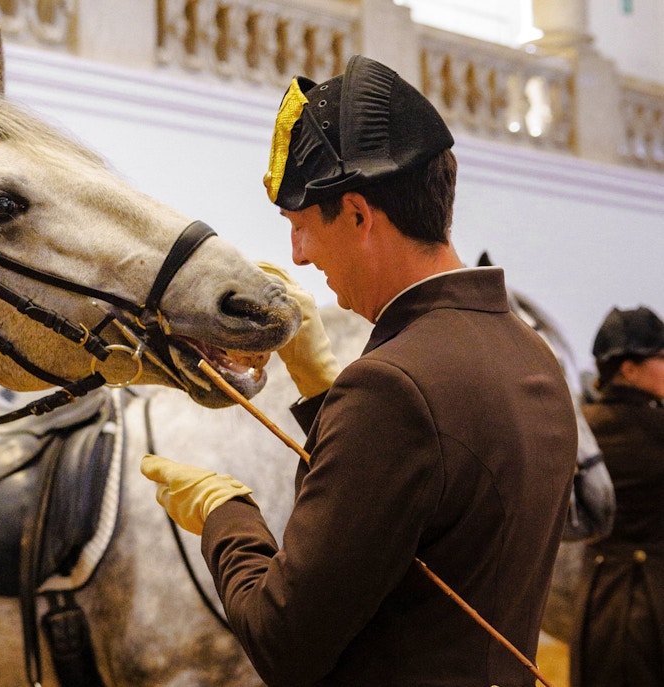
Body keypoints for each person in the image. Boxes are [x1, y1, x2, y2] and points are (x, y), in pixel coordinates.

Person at [140, 54, 577, 686]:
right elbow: (407, 525)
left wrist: (223, 513)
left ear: (357, 215)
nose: (298, 253)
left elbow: (281, 639)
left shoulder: (392, 389)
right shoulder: (529, 352)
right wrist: (323, 393)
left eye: (300, 226)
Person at [571, 305, 664, 686]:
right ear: (629, 368)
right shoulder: (658, 430)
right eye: (660, 356)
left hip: (593, 608)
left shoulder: (579, 430)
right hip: (653, 611)